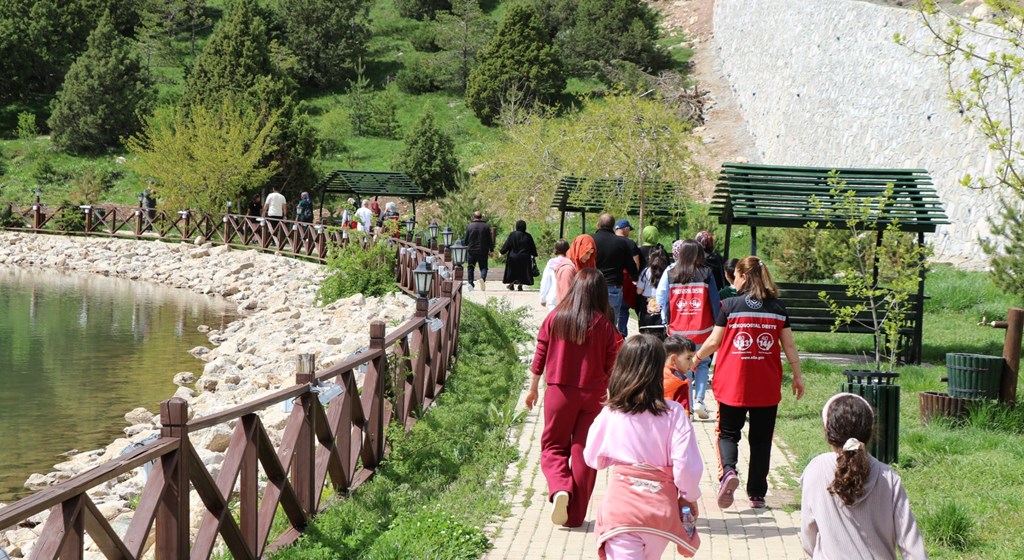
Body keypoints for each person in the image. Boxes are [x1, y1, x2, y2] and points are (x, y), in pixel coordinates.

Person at [691, 256, 805, 510]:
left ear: (743, 277)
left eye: (737, 276)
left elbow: (713, 342)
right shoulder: (777, 308)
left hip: (734, 383)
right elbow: (789, 345)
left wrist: (696, 359)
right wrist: (797, 375)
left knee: (728, 433)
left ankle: (729, 472)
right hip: (766, 384)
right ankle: (757, 493)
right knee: (762, 439)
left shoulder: (730, 305)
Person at [584, 334, 702, 559]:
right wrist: (688, 495)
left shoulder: (612, 411)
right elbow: (686, 466)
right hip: (660, 512)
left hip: (621, 512)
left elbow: (592, 458)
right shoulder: (674, 412)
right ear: (659, 368)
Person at [526, 268, 621, 528]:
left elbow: (540, 355)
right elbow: (612, 364)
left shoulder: (555, 317)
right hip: (594, 396)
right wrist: (614, 397)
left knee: (554, 447)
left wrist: (533, 388)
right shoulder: (604, 324)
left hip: (559, 392)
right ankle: (576, 516)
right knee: (585, 452)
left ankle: (560, 489)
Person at [801, 393, 927, 559]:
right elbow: (912, 546)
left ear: (828, 433)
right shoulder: (889, 478)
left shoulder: (815, 470)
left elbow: (808, 535)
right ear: (870, 432)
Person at [655, 240, 720, 420]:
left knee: (682, 369)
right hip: (703, 328)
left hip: (678, 329)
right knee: (702, 364)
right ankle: (699, 400)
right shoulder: (706, 273)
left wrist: (666, 321)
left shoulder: (671, 273)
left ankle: (687, 408)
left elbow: (665, 301)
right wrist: (718, 323)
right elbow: (714, 301)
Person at [593, 214, 639, 338]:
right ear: (613, 226)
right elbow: (631, 265)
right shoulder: (621, 243)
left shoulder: (591, 240)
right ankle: (608, 353)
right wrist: (635, 279)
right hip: (613, 288)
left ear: (598, 224)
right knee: (610, 325)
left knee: (592, 322)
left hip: (593, 287)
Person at [615, 219, 643, 337]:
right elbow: (636, 264)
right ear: (625, 229)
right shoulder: (630, 243)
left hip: (612, 278)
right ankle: (622, 333)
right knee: (624, 307)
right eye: (629, 230)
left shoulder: (611, 241)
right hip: (626, 278)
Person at [636, 245, 669, 339]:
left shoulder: (646, 271)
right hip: (663, 313)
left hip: (647, 310)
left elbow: (639, 291)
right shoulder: (668, 271)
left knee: (647, 339)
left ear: (650, 257)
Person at [500, 220, 539, 291]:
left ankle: (511, 284)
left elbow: (507, 245)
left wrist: (502, 252)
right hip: (524, 257)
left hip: (513, 256)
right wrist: (534, 254)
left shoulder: (512, 235)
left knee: (512, 271)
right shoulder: (528, 236)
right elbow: (532, 247)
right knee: (522, 271)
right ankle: (520, 285)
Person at [663, 335, 696, 414]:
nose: (692, 363)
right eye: (688, 358)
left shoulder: (652, 376)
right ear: (673, 359)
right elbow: (683, 415)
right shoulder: (680, 384)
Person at [463, 211, 495, 291]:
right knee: (483, 267)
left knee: (470, 267)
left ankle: (470, 284)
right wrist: (491, 250)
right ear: (481, 217)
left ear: (473, 217)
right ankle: (482, 279)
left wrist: (465, 246)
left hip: (472, 251)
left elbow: (466, 240)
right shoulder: (486, 226)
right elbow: (489, 240)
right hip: (483, 250)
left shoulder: (470, 226)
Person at [540, 239, 573, 308]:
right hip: (566, 298)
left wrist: (543, 298)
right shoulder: (570, 264)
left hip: (552, 298)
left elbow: (545, 281)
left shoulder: (551, 263)